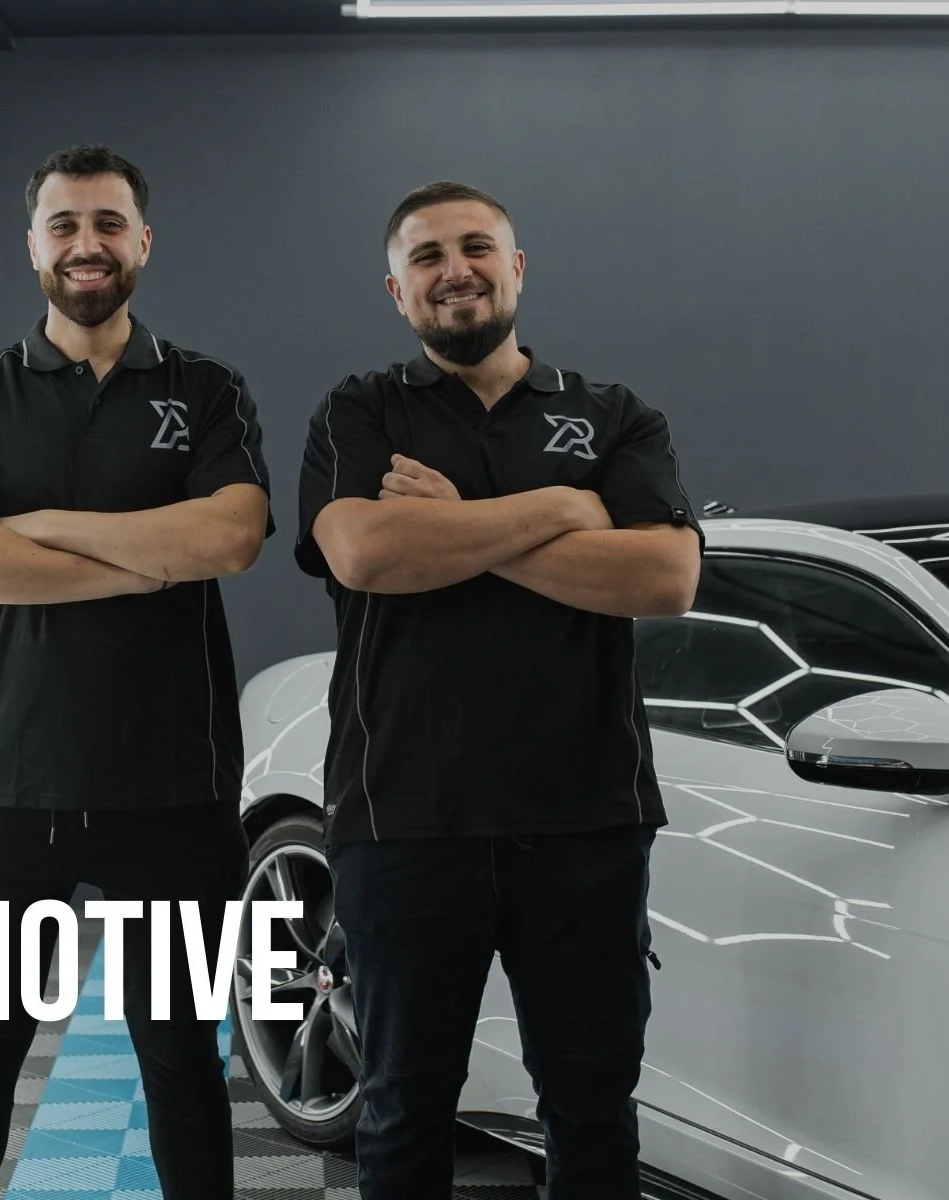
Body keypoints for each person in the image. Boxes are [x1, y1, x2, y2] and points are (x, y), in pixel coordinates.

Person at [294, 180, 702, 1200]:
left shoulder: (613, 416)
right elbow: (362, 554)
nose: (454, 268)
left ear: (517, 269)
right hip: (402, 821)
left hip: (585, 820)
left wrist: (462, 522)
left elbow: (664, 577)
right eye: (427, 256)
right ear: (398, 289)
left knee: (593, 1112)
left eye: (477, 246)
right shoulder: (361, 410)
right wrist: (561, 513)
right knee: (401, 1112)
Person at [0, 144, 272, 1199]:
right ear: (34, 246)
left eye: (108, 224)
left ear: (142, 242)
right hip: (2, 786)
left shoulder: (205, 389)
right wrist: (143, 560)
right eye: (64, 225)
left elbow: (233, 539)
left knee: (181, 1068)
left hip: (172, 787)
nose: (86, 245)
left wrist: (47, 535)